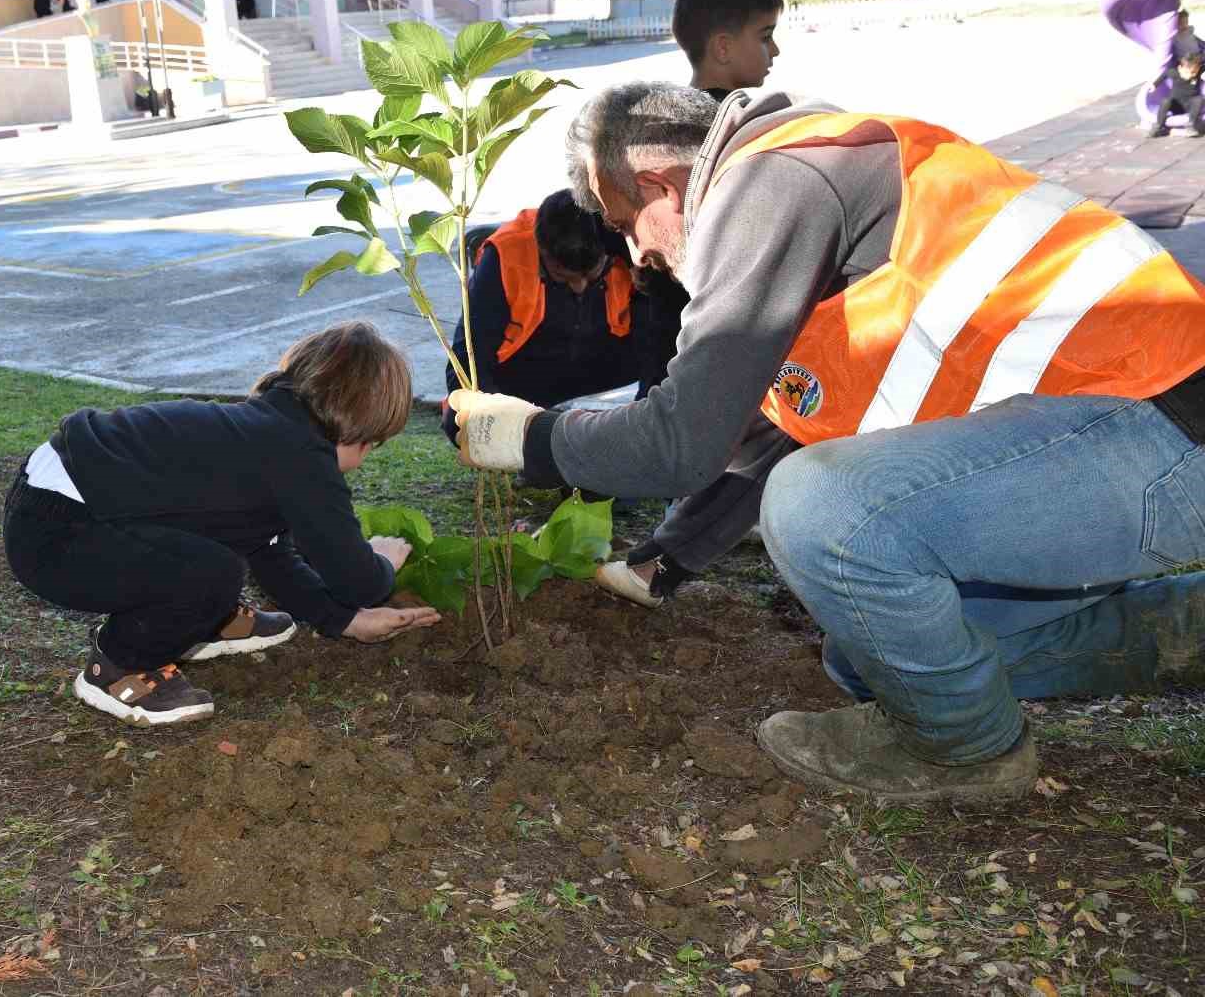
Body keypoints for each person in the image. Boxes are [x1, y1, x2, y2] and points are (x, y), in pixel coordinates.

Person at [450, 80, 1205, 802]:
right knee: (876, 655)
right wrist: (666, 560)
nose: (637, 255)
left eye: (624, 225)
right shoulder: (811, 194)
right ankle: (1175, 628)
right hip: (1113, 441)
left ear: (660, 187)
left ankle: (968, 753)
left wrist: (528, 435)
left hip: (1163, 424)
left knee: (821, 502)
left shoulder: (770, 179)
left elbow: (682, 441)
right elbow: (780, 422)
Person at [3, 322, 441, 727]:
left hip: (53, 503)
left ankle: (209, 619)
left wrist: (342, 621)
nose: (363, 461)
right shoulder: (303, 460)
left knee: (219, 550)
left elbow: (270, 551)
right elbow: (354, 577)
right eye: (371, 446)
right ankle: (118, 666)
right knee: (212, 574)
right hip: (59, 534)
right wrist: (381, 563)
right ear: (359, 431)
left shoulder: (266, 432)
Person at [593, 0, 791, 609]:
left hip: (716, 339)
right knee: (745, 417)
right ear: (724, 44)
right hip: (704, 331)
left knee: (776, 416)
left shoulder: (739, 143)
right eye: (765, 35)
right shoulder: (697, 148)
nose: (775, 51)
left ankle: (668, 552)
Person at [439, 190, 682, 447]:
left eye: (591, 275)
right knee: (458, 420)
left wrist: (645, 426)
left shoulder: (627, 242)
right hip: (529, 371)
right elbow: (469, 356)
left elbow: (660, 338)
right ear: (541, 250)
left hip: (604, 360)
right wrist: (487, 420)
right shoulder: (505, 254)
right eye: (561, 276)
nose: (579, 287)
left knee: (667, 354)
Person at [671, 0, 784, 101]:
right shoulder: (743, 119)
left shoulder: (675, 114)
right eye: (765, 37)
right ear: (723, 48)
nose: (775, 51)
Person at [1150, 49, 1205, 137]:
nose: (1191, 75)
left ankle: (1191, 125)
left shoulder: (1197, 72)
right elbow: (1164, 74)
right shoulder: (1174, 73)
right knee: (1165, 101)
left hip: (1190, 106)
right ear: (1180, 68)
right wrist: (1154, 85)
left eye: (1194, 72)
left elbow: (1202, 64)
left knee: (1199, 99)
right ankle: (1159, 126)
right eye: (1187, 72)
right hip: (1175, 105)